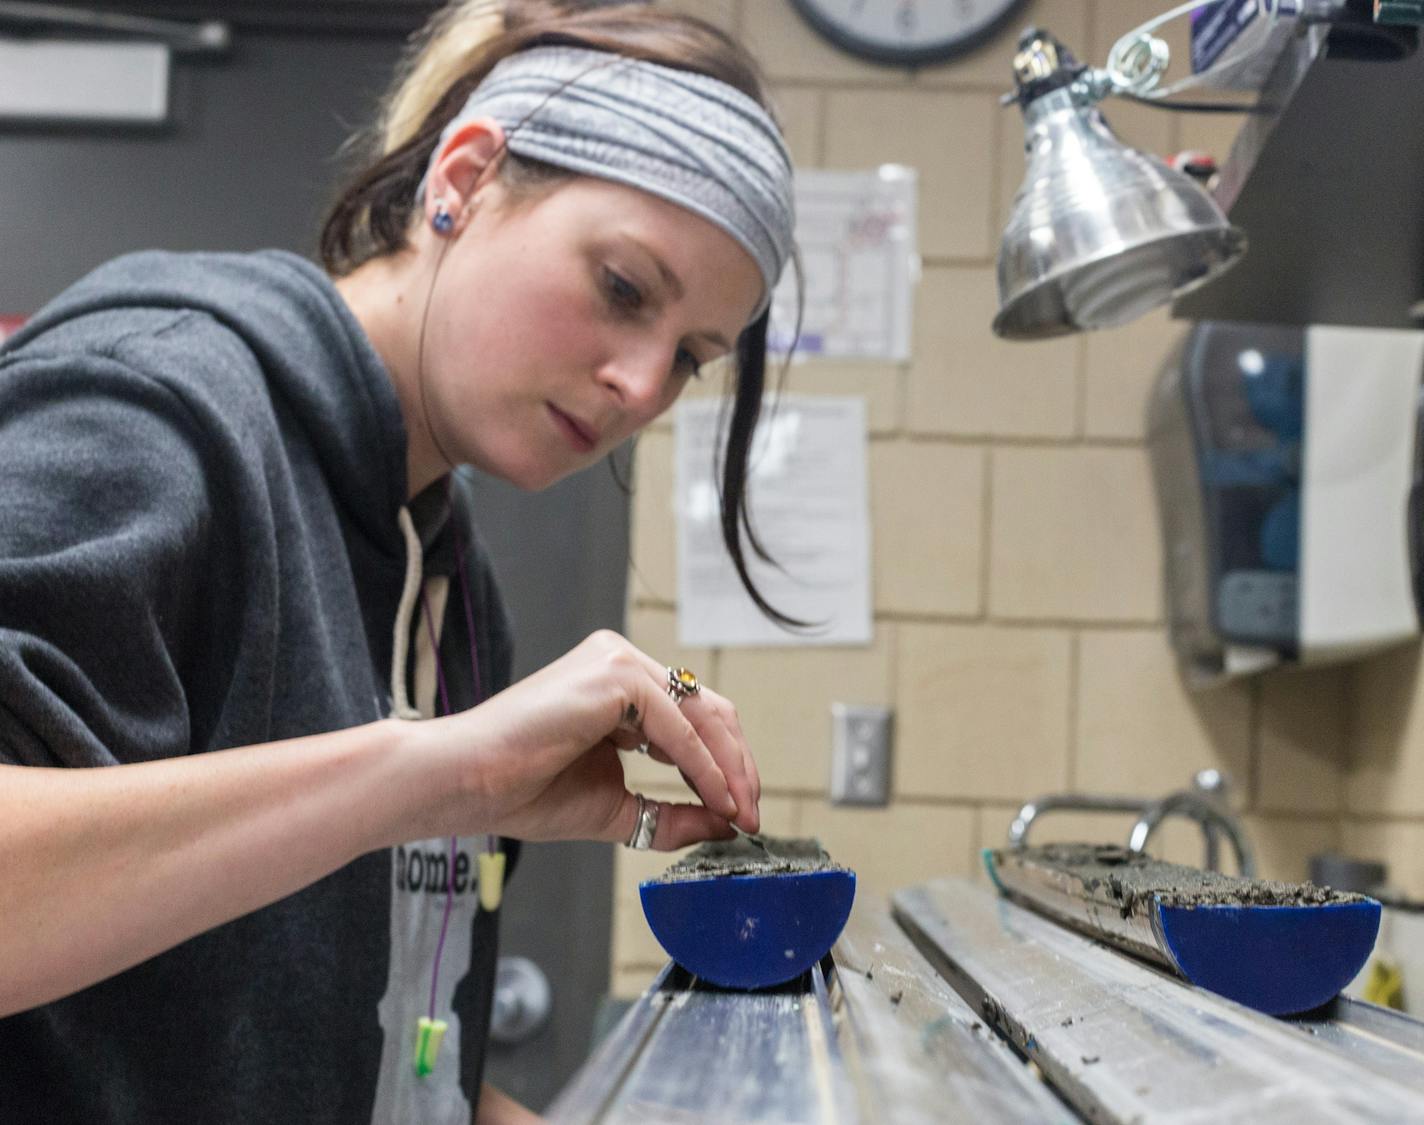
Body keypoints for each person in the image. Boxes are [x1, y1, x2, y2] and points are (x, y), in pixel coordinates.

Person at [0, 1, 796, 1121]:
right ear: (463, 180)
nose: (639, 386)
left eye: (689, 361)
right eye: (622, 289)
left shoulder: (453, 592)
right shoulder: (154, 413)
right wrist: (439, 773)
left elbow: (378, 1067)